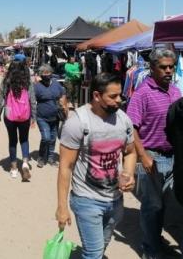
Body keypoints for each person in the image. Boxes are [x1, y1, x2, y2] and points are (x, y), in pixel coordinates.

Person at [56, 73, 136, 259]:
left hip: (115, 200)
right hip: (86, 200)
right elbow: (65, 166)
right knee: (93, 253)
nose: (119, 101)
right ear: (97, 95)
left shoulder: (123, 120)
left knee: (101, 247)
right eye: (113, 96)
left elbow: (130, 152)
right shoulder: (77, 122)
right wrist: (62, 207)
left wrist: (129, 173)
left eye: (120, 96)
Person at [126, 49, 181, 259]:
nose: (168, 70)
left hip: (173, 157)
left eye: (171, 66)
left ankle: (156, 241)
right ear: (152, 67)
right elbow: (132, 128)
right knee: (153, 206)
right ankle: (150, 249)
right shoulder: (142, 93)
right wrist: (143, 156)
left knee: (166, 205)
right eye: (163, 67)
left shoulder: (176, 91)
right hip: (151, 157)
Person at [0, 54, 36, 180]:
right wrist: (34, 116)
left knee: (12, 140)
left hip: (10, 115)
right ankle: (24, 162)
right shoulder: (27, 80)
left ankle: (13, 168)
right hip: (25, 115)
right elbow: (32, 99)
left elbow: (1, 98)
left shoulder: (7, 80)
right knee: (24, 139)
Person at [34, 64, 68, 168]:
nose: (46, 75)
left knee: (53, 139)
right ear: (40, 75)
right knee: (46, 138)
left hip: (55, 116)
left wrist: (65, 108)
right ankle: (41, 157)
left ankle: (50, 158)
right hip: (41, 117)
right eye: (44, 73)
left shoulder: (57, 85)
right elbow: (31, 100)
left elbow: (63, 95)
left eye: (48, 73)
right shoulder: (36, 86)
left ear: (51, 73)